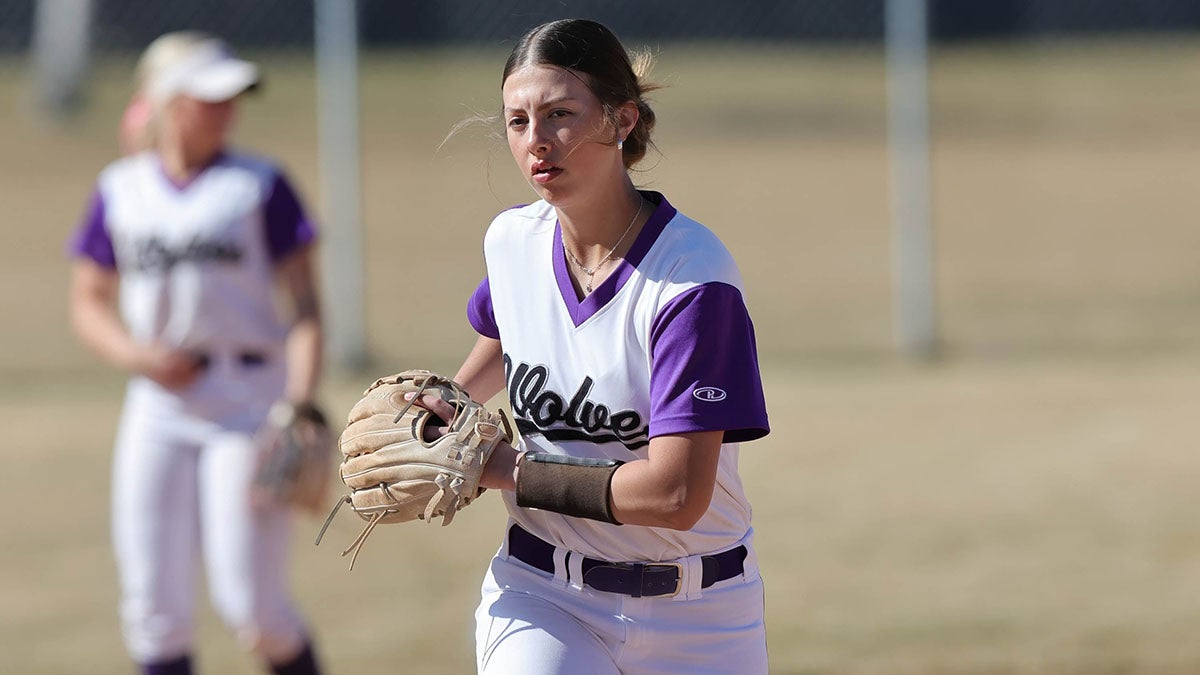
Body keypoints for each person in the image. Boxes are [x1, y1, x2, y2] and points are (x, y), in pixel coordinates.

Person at [411, 18, 771, 674]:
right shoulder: (512, 242)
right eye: (517, 122)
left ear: (621, 119)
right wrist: (452, 403)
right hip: (544, 594)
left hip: (702, 613)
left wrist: (504, 467)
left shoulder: (689, 280)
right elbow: (506, 334)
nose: (536, 142)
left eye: (560, 114)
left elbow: (676, 494)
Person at [67, 31, 324, 675]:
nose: (227, 109)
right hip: (159, 407)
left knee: (255, 610)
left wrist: (300, 403)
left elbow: (305, 310)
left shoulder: (259, 185)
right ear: (169, 103)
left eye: (232, 98)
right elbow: (88, 300)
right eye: (210, 98)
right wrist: (136, 355)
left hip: (247, 402)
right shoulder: (122, 188)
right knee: (153, 609)